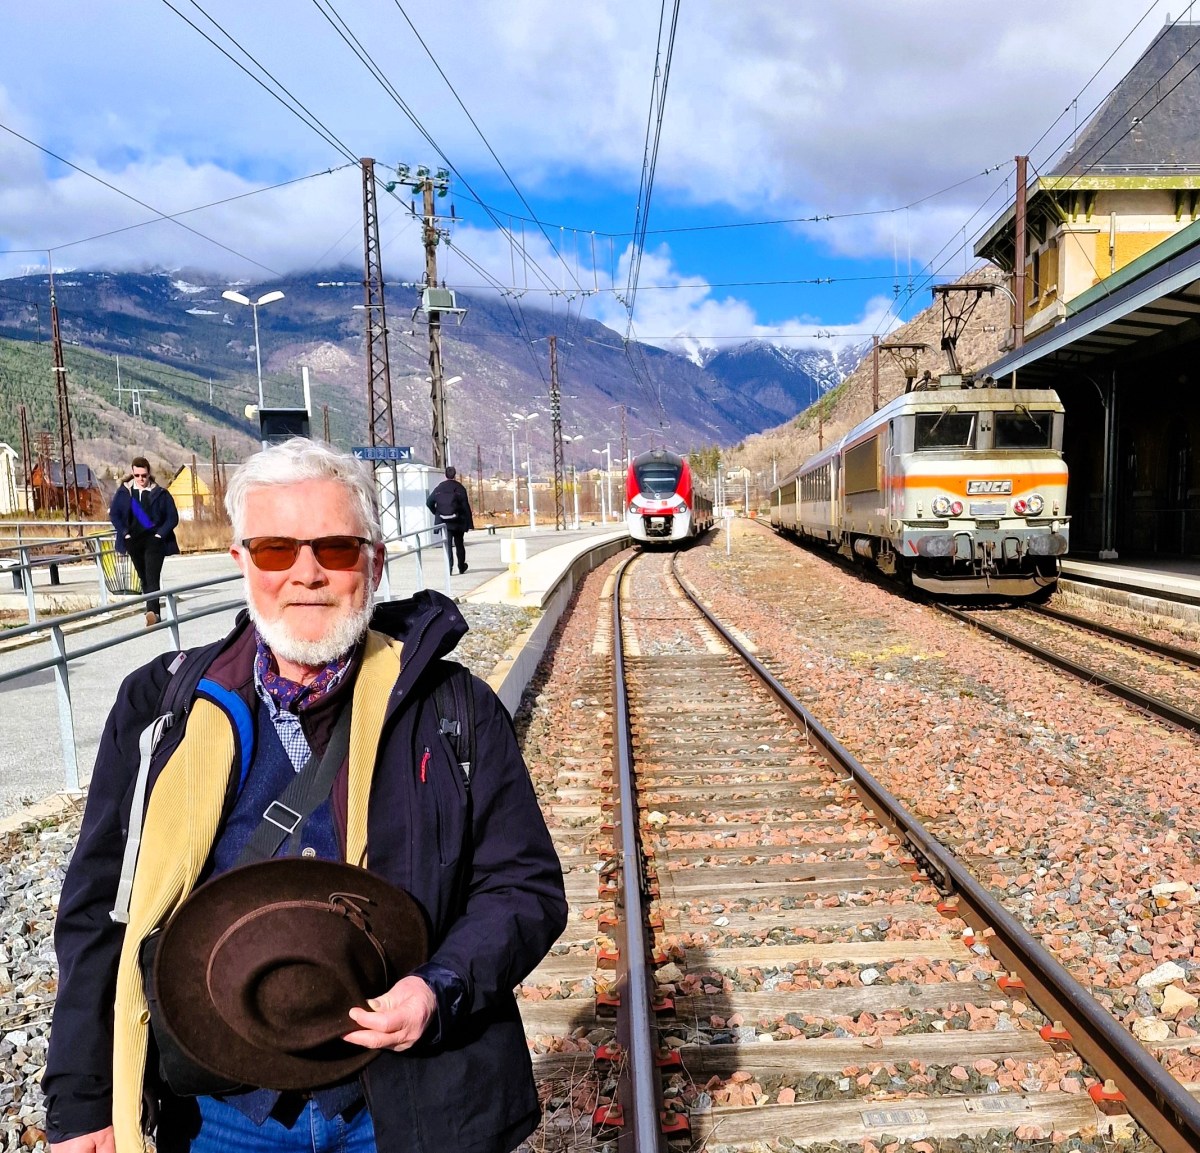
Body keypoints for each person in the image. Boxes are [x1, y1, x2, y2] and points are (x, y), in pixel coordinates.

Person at [44, 438, 567, 1153]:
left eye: (337, 549)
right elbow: (100, 911)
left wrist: (439, 986)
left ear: (376, 562)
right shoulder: (161, 710)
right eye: (274, 550)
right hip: (219, 1115)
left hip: (406, 1102)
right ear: (240, 563)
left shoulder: (453, 709)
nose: (307, 574)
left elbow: (523, 883)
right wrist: (82, 1102)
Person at [108, 456, 180, 626]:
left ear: (149, 474)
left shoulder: (160, 493)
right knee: (143, 577)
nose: (141, 479)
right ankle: (152, 610)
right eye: (137, 475)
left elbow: (172, 517)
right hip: (133, 540)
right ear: (132, 474)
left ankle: (152, 612)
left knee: (152, 575)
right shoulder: (124, 493)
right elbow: (114, 514)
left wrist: (160, 534)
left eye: (144, 475)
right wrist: (125, 533)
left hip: (154, 540)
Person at [425, 466, 474, 574]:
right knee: (459, 544)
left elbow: (429, 502)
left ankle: (449, 568)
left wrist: (437, 512)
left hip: (444, 522)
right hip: (458, 521)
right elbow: (466, 506)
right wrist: (469, 523)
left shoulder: (439, 488)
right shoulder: (460, 488)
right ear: (455, 475)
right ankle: (461, 567)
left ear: (445, 475)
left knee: (448, 545)